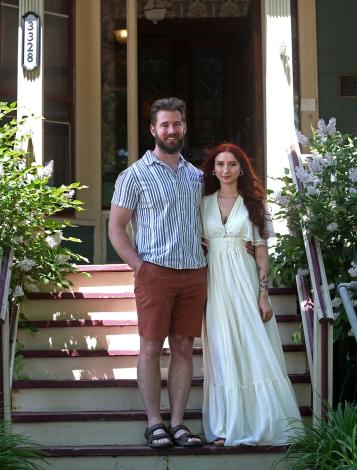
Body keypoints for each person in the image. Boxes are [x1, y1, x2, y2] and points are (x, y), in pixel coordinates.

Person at [108, 97, 206, 448]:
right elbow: (116, 228)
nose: (171, 130)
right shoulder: (133, 175)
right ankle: (155, 424)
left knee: (183, 347)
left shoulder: (197, 177)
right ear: (153, 129)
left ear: (184, 127)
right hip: (155, 272)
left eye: (176, 123)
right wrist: (140, 267)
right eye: (164, 124)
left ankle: (179, 423)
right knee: (151, 347)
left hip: (194, 272)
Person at [200, 143, 302, 446]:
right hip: (214, 283)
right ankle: (227, 425)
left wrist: (263, 294)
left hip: (245, 280)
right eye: (220, 164)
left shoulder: (255, 204)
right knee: (222, 351)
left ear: (241, 168)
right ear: (213, 169)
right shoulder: (202, 203)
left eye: (232, 164)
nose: (225, 170)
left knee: (253, 347)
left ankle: (264, 421)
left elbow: (261, 251)